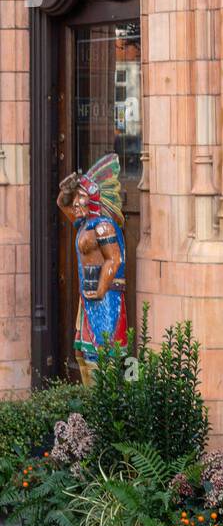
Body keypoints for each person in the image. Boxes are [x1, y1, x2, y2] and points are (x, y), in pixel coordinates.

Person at [57, 154, 128, 386]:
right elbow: (62, 204)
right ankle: (92, 409)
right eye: (76, 197)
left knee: (103, 358)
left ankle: (106, 411)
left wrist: (99, 291)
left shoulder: (103, 227)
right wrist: (68, 189)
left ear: (94, 199)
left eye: (81, 197)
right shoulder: (84, 223)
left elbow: (114, 260)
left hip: (105, 300)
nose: (76, 203)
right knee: (83, 355)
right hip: (88, 299)